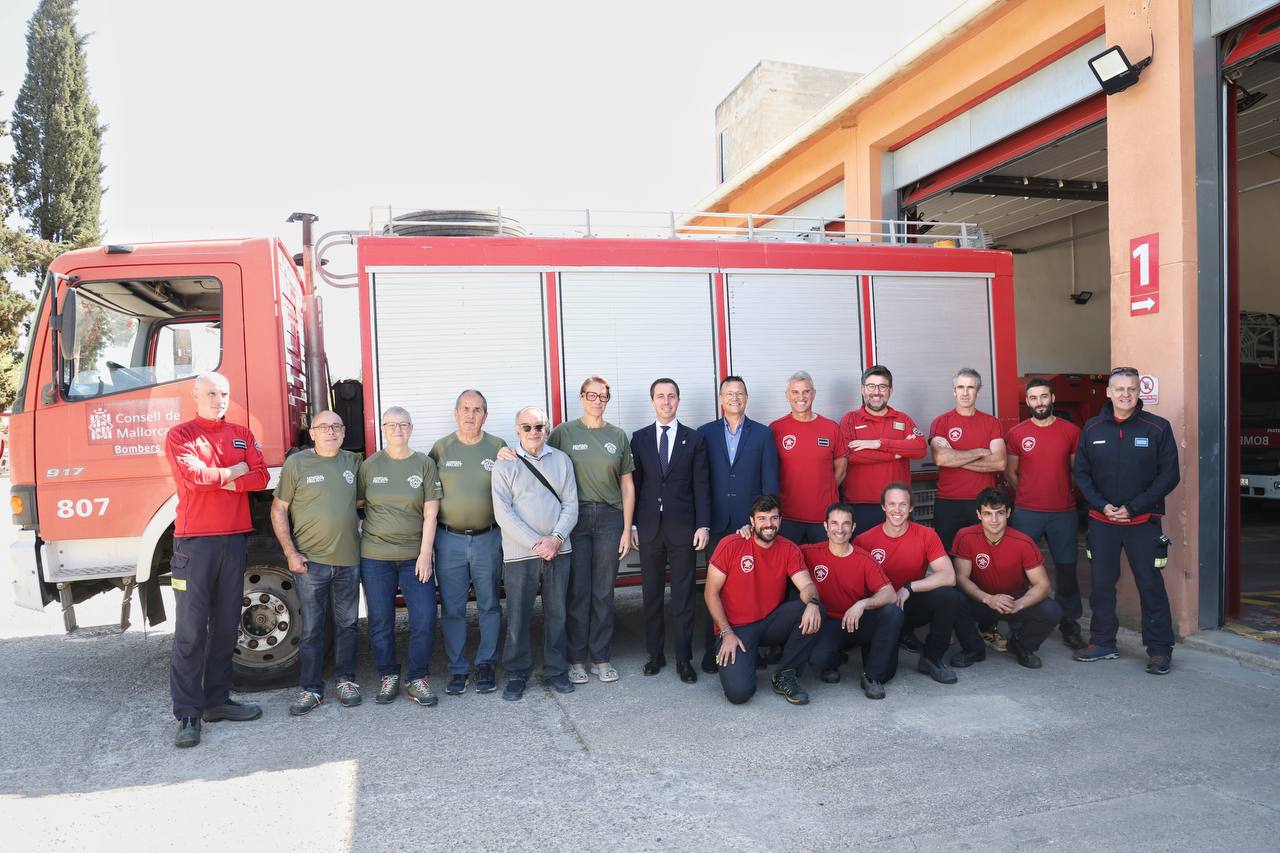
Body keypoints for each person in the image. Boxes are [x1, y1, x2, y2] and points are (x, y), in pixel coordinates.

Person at [163, 372, 268, 748]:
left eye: (223, 393)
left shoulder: (241, 433)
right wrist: (233, 471)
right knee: (191, 631)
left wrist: (228, 478)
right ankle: (189, 714)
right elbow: (192, 477)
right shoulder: (181, 435)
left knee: (226, 626)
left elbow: (260, 476)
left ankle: (217, 701)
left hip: (233, 540)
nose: (217, 399)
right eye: (210, 393)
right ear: (195, 395)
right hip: (195, 545)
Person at [1072, 367, 1181, 674]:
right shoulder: (1092, 429)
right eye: (1119, 389)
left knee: (1150, 585)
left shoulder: (1157, 428)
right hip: (1101, 522)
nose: (1125, 395)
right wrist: (1103, 505)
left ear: (1139, 392)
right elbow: (1081, 474)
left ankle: (1160, 650)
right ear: (1108, 392)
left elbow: (1169, 475)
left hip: (1142, 523)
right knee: (1102, 585)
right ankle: (1103, 642)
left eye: (1131, 389)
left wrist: (1133, 507)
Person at [271, 411, 362, 715]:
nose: (331, 432)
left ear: (344, 432)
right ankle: (310, 689)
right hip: (311, 564)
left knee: (348, 625)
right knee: (311, 629)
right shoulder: (296, 464)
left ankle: (346, 681)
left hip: (349, 561)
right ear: (312, 433)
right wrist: (290, 553)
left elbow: (363, 502)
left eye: (337, 426)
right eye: (324, 427)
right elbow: (279, 509)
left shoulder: (353, 462)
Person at [548, 376, 635, 685]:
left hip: (610, 520)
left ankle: (601, 657)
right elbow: (540, 460)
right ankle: (576, 659)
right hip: (576, 518)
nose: (597, 400)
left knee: (603, 592)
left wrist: (627, 528)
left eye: (603, 396)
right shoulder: (563, 433)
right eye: (592, 395)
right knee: (578, 591)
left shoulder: (617, 435)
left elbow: (627, 484)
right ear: (581, 397)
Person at [491, 406, 578, 701]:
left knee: (557, 614)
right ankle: (516, 673)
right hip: (520, 554)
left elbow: (571, 505)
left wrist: (555, 539)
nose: (533, 432)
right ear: (517, 430)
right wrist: (536, 543)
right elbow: (503, 513)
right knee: (518, 616)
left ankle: (556, 671)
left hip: (559, 550)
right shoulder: (504, 465)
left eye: (539, 426)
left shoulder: (562, 460)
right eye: (526, 427)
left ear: (547, 429)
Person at [359, 406, 443, 707]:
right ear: (382, 428)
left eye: (404, 424)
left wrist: (425, 555)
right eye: (392, 425)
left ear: (411, 428)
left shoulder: (424, 464)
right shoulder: (369, 466)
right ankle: (388, 675)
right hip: (375, 556)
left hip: (414, 557)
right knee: (381, 620)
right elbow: (356, 502)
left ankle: (417, 678)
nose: (398, 430)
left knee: (424, 617)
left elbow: (431, 512)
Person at [696, 375, 779, 673]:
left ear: (746, 398)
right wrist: (702, 522)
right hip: (717, 524)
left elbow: (770, 484)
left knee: (752, 589)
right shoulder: (704, 434)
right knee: (715, 589)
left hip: (750, 527)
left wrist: (758, 522)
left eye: (740, 393)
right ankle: (712, 648)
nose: (734, 398)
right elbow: (700, 482)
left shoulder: (763, 434)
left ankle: (753, 648)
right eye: (729, 393)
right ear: (720, 399)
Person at [705, 494, 822, 705]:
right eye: (762, 518)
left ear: (780, 520)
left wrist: (813, 604)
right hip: (736, 628)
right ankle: (732, 656)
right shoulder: (731, 544)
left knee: (814, 608)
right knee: (739, 693)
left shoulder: (789, 548)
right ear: (752, 521)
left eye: (774, 518)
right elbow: (710, 592)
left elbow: (807, 586)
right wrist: (726, 632)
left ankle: (785, 675)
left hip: (770, 622)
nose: (769, 524)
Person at [630, 378, 711, 683]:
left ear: (679, 401)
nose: (666, 402)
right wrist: (634, 524)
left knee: (683, 597)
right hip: (650, 529)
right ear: (652, 401)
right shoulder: (639, 439)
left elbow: (701, 485)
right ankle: (655, 655)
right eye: (661, 397)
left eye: (672, 396)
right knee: (650, 595)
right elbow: (634, 487)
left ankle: (684, 658)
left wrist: (703, 524)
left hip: (683, 530)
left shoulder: (694, 439)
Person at [430, 390, 507, 696]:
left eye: (477, 410)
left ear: (485, 415)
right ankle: (458, 669)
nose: (471, 415)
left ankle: (486, 664)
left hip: (488, 538)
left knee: (489, 604)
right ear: (455, 412)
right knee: (452, 608)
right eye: (465, 409)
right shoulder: (441, 448)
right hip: (449, 540)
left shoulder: (497, 447)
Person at [854, 483, 963, 685]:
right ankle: (891, 641)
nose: (897, 510)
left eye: (903, 504)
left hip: (910, 604)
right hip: (883, 612)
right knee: (884, 673)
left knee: (948, 596)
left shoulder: (926, 534)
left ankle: (932, 658)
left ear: (911, 507)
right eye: (892, 504)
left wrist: (909, 587)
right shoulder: (864, 540)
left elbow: (949, 576)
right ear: (883, 507)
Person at [1005, 377, 1085, 649]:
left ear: (1052, 399)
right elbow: (1011, 472)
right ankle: (1019, 622)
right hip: (1027, 512)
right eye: (1034, 398)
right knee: (1020, 572)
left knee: (1066, 570)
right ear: (1028, 402)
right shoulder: (1017, 433)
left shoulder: (1071, 431)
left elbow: (1076, 473)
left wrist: (1060, 492)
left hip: (1063, 513)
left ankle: (1069, 624)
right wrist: (1029, 494)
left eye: (1044, 397)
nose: (1039, 402)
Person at [950, 488, 1063, 670]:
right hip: (981, 599)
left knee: (1052, 610)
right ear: (979, 514)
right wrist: (987, 598)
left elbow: (1042, 584)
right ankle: (973, 649)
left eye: (999, 513)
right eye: (987, 514)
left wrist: (1020, 604)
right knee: (951, 600)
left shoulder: (1023, 542)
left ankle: (1021, 647)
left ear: (1008, 513)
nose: (994, 520)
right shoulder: (965, 536)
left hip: (1013, 600)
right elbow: (961, 577)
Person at [802, 503, 902, 700]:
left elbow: (890, 594)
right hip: (828, 624)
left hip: (857, 621)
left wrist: (862, 604)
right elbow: (776, 548)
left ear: (853, 527)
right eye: (835, 523)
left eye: (846, 524)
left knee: (893, 613)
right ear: (825, 526)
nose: (840, 529)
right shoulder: (809, 552)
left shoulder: (864, 558)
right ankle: (836, 658)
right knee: (818, 660)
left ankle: (871, 676)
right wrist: (746, 533)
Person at [838, 365, 925, 533]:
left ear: (890, 390)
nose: (876, 392)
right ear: (862, 389)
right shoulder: (850, 419)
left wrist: (879, 443)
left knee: (902, 556)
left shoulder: (903, 419)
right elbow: (851, 454)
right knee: (863, 555)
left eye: (882, 387)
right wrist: (897, 453)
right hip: (861, 505)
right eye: (871, 386)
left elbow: (920, 448)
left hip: (898, 506)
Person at [928, 368, 1007, 551]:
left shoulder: (991, 423)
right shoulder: (941, 422)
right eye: (960, 387)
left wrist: (956, 457)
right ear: (954, 390)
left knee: (984, 556)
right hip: (948, 502)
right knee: (949, 556)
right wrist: (980, 451)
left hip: (983, 503)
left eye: (970, 387)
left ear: (978, 391)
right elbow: (941, 459)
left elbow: (999, 463)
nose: (965, 393)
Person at [770, 371, 846, 544]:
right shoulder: (776, 429)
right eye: (795, 392)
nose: (801, 397)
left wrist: (822, 491)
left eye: (806, 391)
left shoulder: (831, 428)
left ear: (814, 393)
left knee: (824, 569)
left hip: (824, 517)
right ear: (787, 395)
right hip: (787, 518)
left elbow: (841, 468)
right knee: (790, 569)